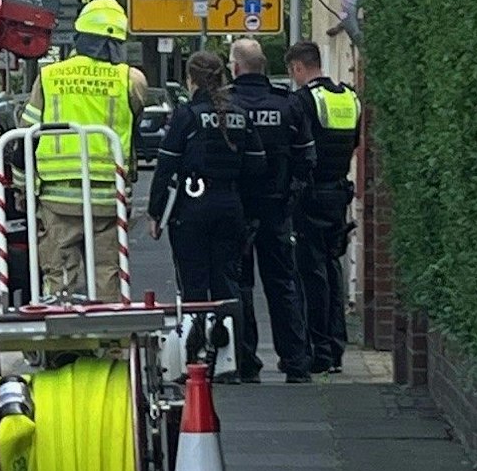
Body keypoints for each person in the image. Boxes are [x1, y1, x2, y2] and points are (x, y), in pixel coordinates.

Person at [19, 0, 149, 301]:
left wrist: (21, 185)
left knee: (60, 272)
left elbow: (26, 132)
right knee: (108, 272)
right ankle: (112, 342)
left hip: (57, 195)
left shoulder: (50, 76)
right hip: (107, 195)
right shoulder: (130, 80)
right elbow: (135, 119)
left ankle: (61, 340)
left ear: (81, 37)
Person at [148, 52, 268, 372]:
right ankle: (232, 361)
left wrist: (155, 214)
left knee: (194, 286)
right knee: (228, 286)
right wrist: (249, 214)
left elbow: (165, 167)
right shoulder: (240, 115)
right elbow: (257, 167)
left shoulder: (187, 116)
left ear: (192, 80)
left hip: (192, 208)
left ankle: (196, 359)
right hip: (231, 208)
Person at [228, 38, 314, 383]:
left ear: (235, 67)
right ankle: (295, 361)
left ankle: (246, 362)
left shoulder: (226, 105)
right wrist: (291, 198)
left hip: (237, 209)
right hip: (277, 208)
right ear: (264, 67)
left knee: (240, 284)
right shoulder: (288, 105)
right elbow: (306, 158)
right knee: (283, 284)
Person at [286, 40, 361, 373]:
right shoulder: (349, 97)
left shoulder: (304, 101)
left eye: (293, 72)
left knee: (311, 274)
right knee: (333, 269)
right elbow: (355, 144)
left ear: (299, 68)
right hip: (339, 194)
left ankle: (320, 351)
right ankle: (336, 347)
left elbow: (298, 149)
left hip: (310, 197)